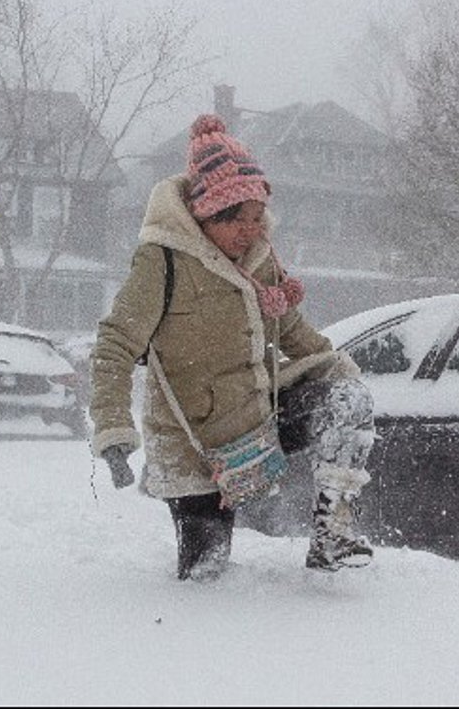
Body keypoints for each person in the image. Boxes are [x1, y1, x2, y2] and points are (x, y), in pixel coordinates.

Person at [88, 113, 376, 580]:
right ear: (206, 215)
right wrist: (114, 431)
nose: (251, 230)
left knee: (346, 399)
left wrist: (345, 373)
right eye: (236, 218)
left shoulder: (260, 261)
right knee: (206, 574)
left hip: (259, 420)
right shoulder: (163, 260)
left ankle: (334, 534)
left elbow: (294, 332)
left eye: (257, 216)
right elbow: (115, 345)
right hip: (193, 445)